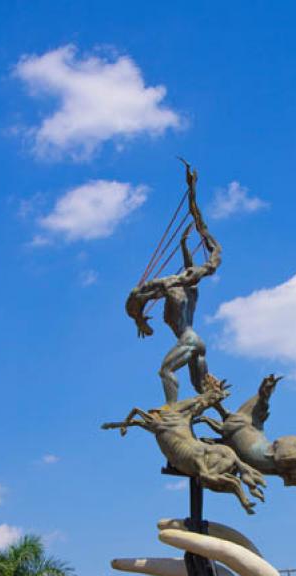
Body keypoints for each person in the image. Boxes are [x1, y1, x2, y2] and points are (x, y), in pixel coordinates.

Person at [125, 162, 222, 404]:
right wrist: (192, 238)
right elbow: (208, 260)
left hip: (188, 341)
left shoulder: (170, 288)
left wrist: (139, 318)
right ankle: (228, 423)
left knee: (165, 371)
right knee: (203, 389)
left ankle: (171, 414)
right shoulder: (193, 292)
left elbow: (137, 295)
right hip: (197, 341)